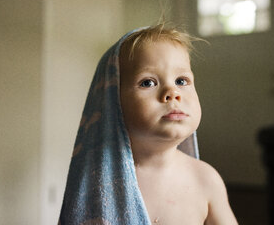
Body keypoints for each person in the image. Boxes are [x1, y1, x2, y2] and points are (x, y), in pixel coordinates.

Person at [59, 24, 238, 225]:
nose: (173, 92)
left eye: (181, 80)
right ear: (112, 102)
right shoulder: (97, 186)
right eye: (148, 83)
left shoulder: (205, 179)